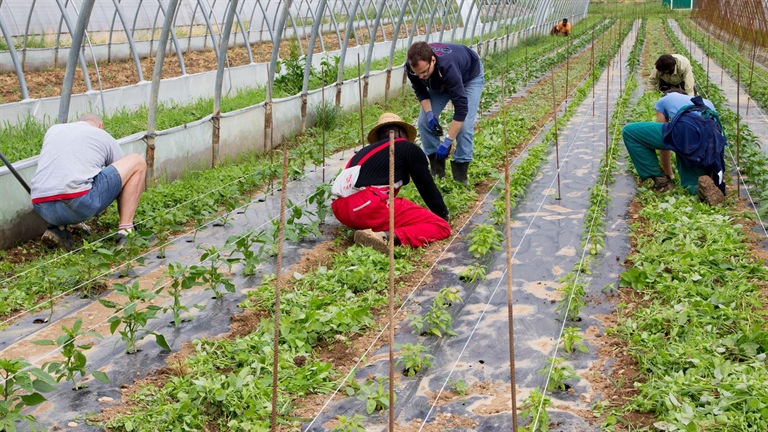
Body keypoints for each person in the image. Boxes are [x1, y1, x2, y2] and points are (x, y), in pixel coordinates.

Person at [331, 113, 451, 253]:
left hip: (341, 211)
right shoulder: (407, 148)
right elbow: (427, 188)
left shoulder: (362, 152)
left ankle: (370, 230)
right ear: (401, 132)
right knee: (440, 227)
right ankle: (383, 236)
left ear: (381, 135)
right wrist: (442, 215)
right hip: (368, 207)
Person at [31, 114, 147, 250]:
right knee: (137, 162)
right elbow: (123, 180)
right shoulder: (101, 134)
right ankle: (126, 232)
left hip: (41, 207)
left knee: (64, 181)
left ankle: (57, 230)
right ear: (100, 126)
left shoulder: (54, 130)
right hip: (78, 203)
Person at [622, 91, 726, 206]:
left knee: (630, 132)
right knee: (691, 181)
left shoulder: (664, 100)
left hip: (686, 130)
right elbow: (715, 138)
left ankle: (662, 183)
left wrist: (668, 174)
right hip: (712, 139)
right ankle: (702, 190)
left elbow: (666, 141)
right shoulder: (707, 102)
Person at [406, 41, 484, 185]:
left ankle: (460, 176)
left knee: (465, 126)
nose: (421, 77)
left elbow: (461, 109)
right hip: (440, 81)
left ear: (433, 60)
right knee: (423, 122)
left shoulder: (449, 67)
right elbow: (421, 92)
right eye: (418, 73)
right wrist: (430, 116)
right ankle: (437, 171)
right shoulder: (412, 67)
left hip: (469, 77)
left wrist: (448, 141)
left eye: (424, 72)